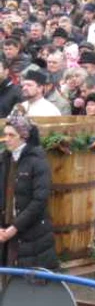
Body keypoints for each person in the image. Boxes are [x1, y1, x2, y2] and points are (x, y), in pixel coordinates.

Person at [0, 115, 58, 269]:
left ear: (24, 137)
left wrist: (15, 227)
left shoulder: (37, 161)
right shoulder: (4, 159)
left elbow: (39, 200)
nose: (6, 139)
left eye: (11, 135)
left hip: (33, 233)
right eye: (5, 134)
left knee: (30, 283)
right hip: (6, 230)